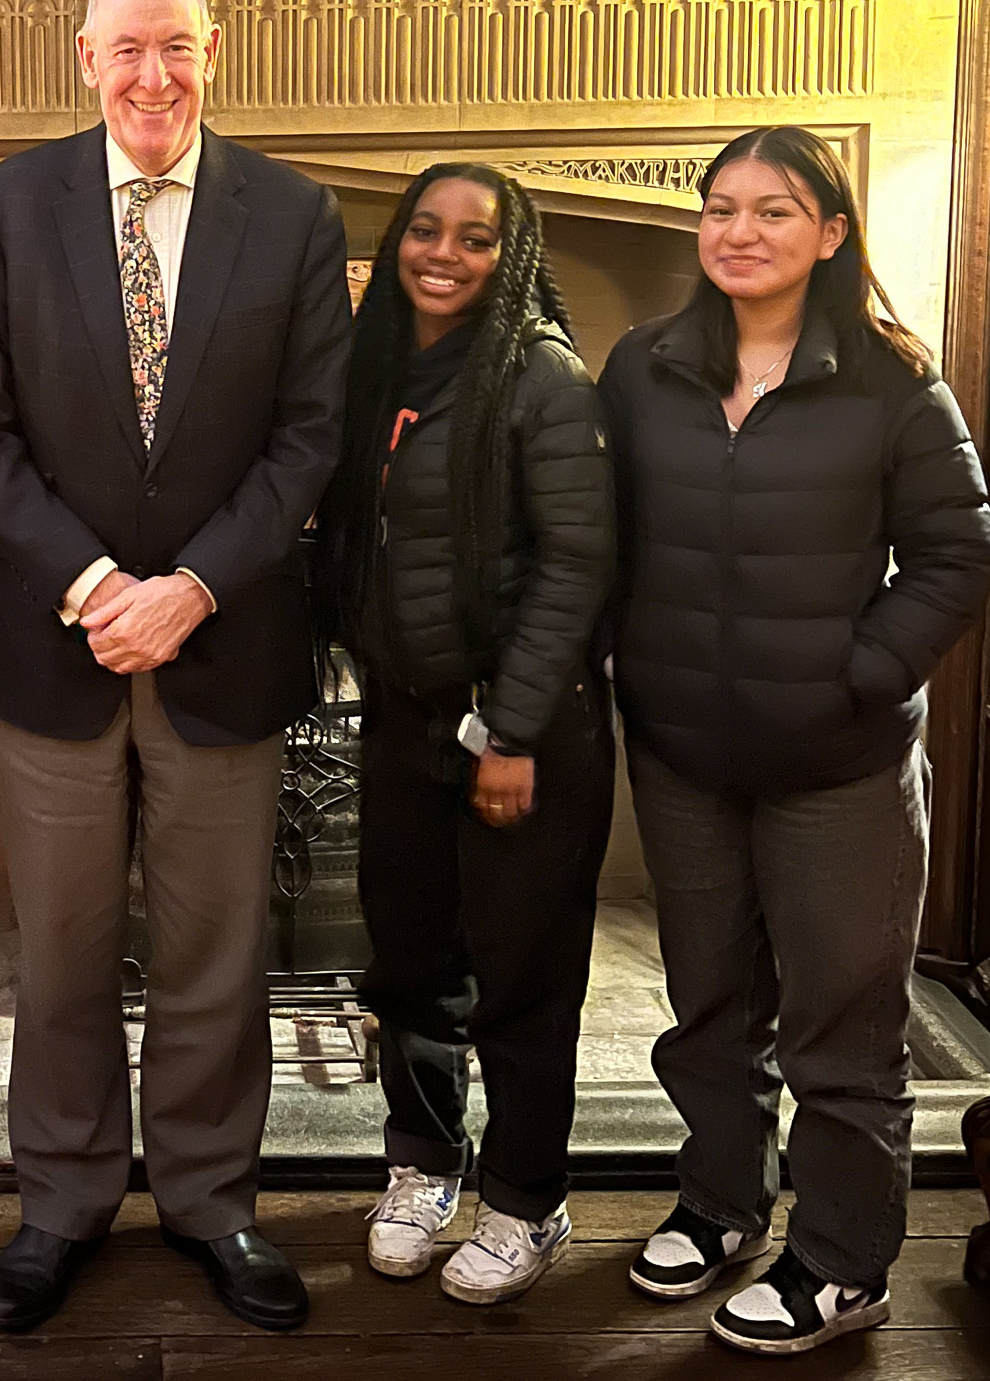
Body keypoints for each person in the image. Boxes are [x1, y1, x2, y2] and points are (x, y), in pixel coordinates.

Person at [0, 0, 351, 1333]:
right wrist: (96, 583)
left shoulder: (293, 215)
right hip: (53, 647)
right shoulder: (5, 207)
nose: (152, 77)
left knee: (214, 950)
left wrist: (194, 588)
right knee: (60, 949)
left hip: (221, 645)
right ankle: (60, 1202)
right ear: (84, 57)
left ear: (214, 50)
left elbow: (310, 436)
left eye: (174, 47)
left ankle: (210, 1199)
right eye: (127, 50)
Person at [598, 126, 990, 1356]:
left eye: (772, 210)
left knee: (839, 1022)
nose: (736, 231)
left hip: (841, 767)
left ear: (829, 233)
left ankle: (841, 1264)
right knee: (708, 1005)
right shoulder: (638, 368)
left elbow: (955, 553)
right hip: (682, 755)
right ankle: (720, 1205)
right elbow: (590, 532)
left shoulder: (890, 381)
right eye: (718, 207)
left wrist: (855, 679)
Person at [315, 165, 616, 1305]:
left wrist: (510, 729)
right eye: (424, 231)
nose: (443, 253)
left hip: (522, 734)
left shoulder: (539, 375)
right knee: (411, 964)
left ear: (511, 254)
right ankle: (421, 1164)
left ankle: (528, 1200)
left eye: (475, 238)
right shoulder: (379, 370)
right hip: (403, 720)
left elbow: (575, 565)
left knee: (523, 979)